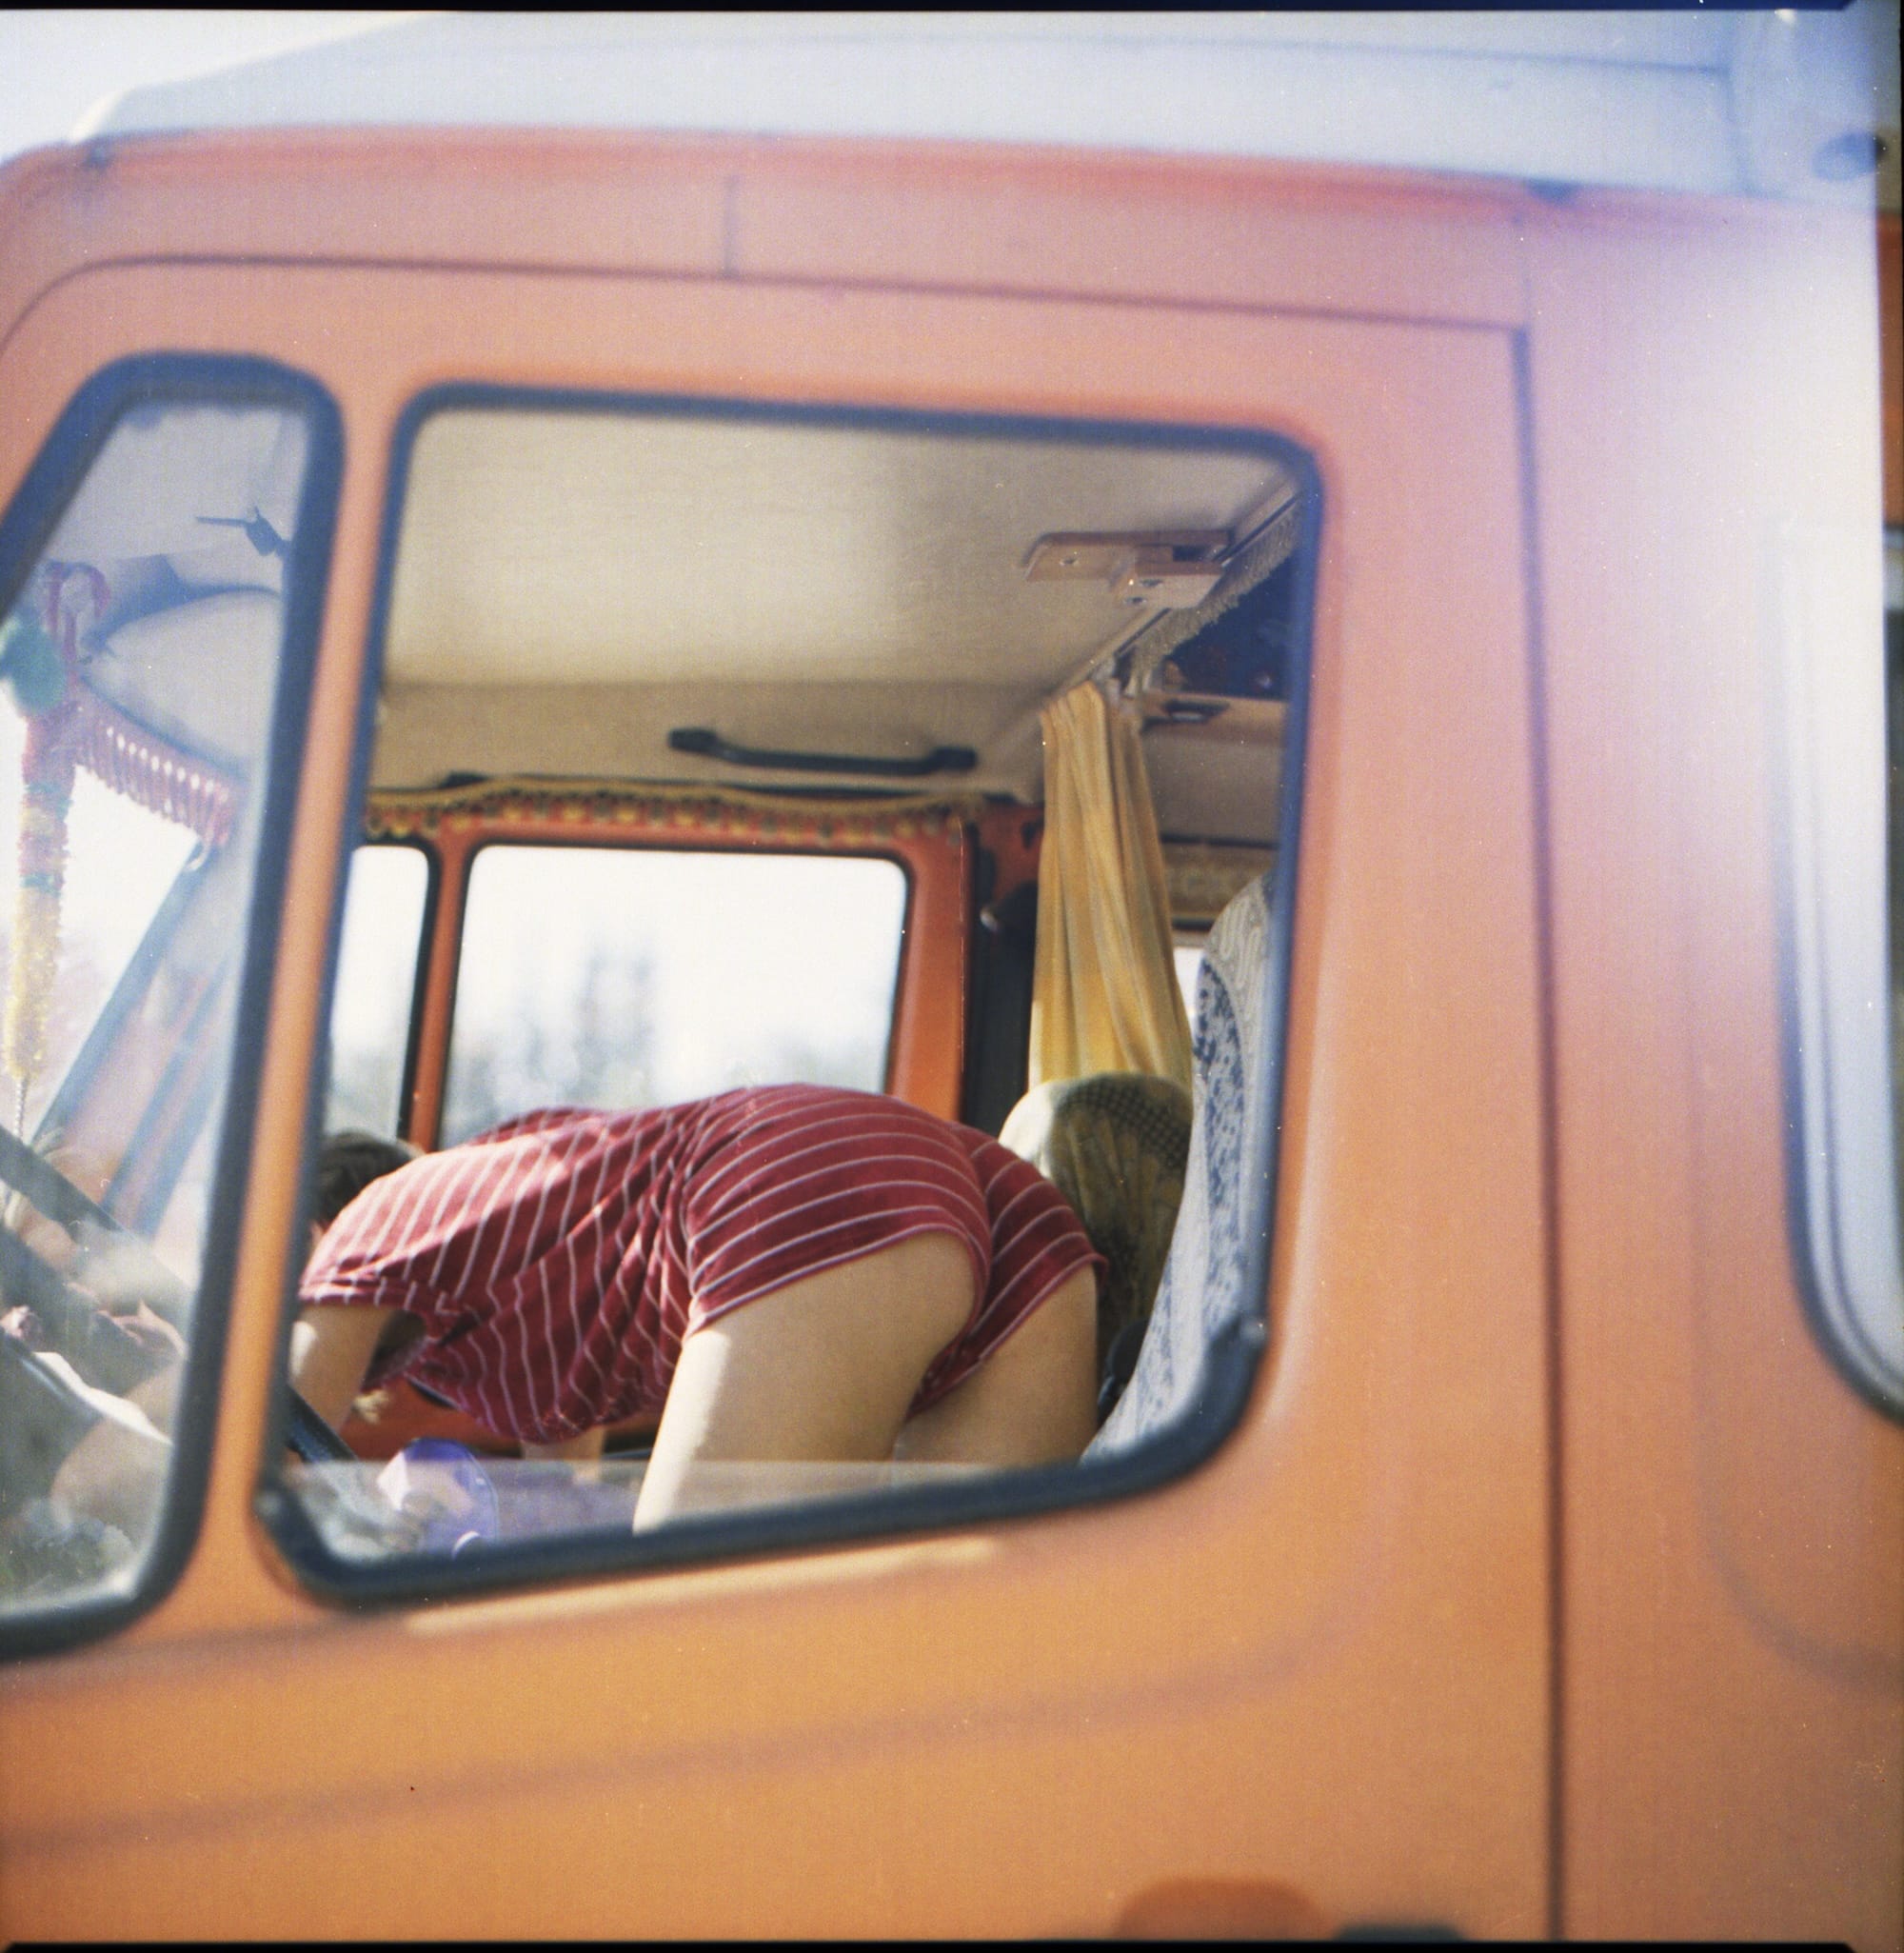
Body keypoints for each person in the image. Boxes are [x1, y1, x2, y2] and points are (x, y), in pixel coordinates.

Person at [294, 1083, 1102, 1526]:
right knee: (947, 1645)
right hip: (1001, 1206)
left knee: (687, 1637)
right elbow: (567, 1501)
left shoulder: (371, 1219)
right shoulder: (499, 1223)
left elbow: (266, 1456)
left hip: (794, 1183)